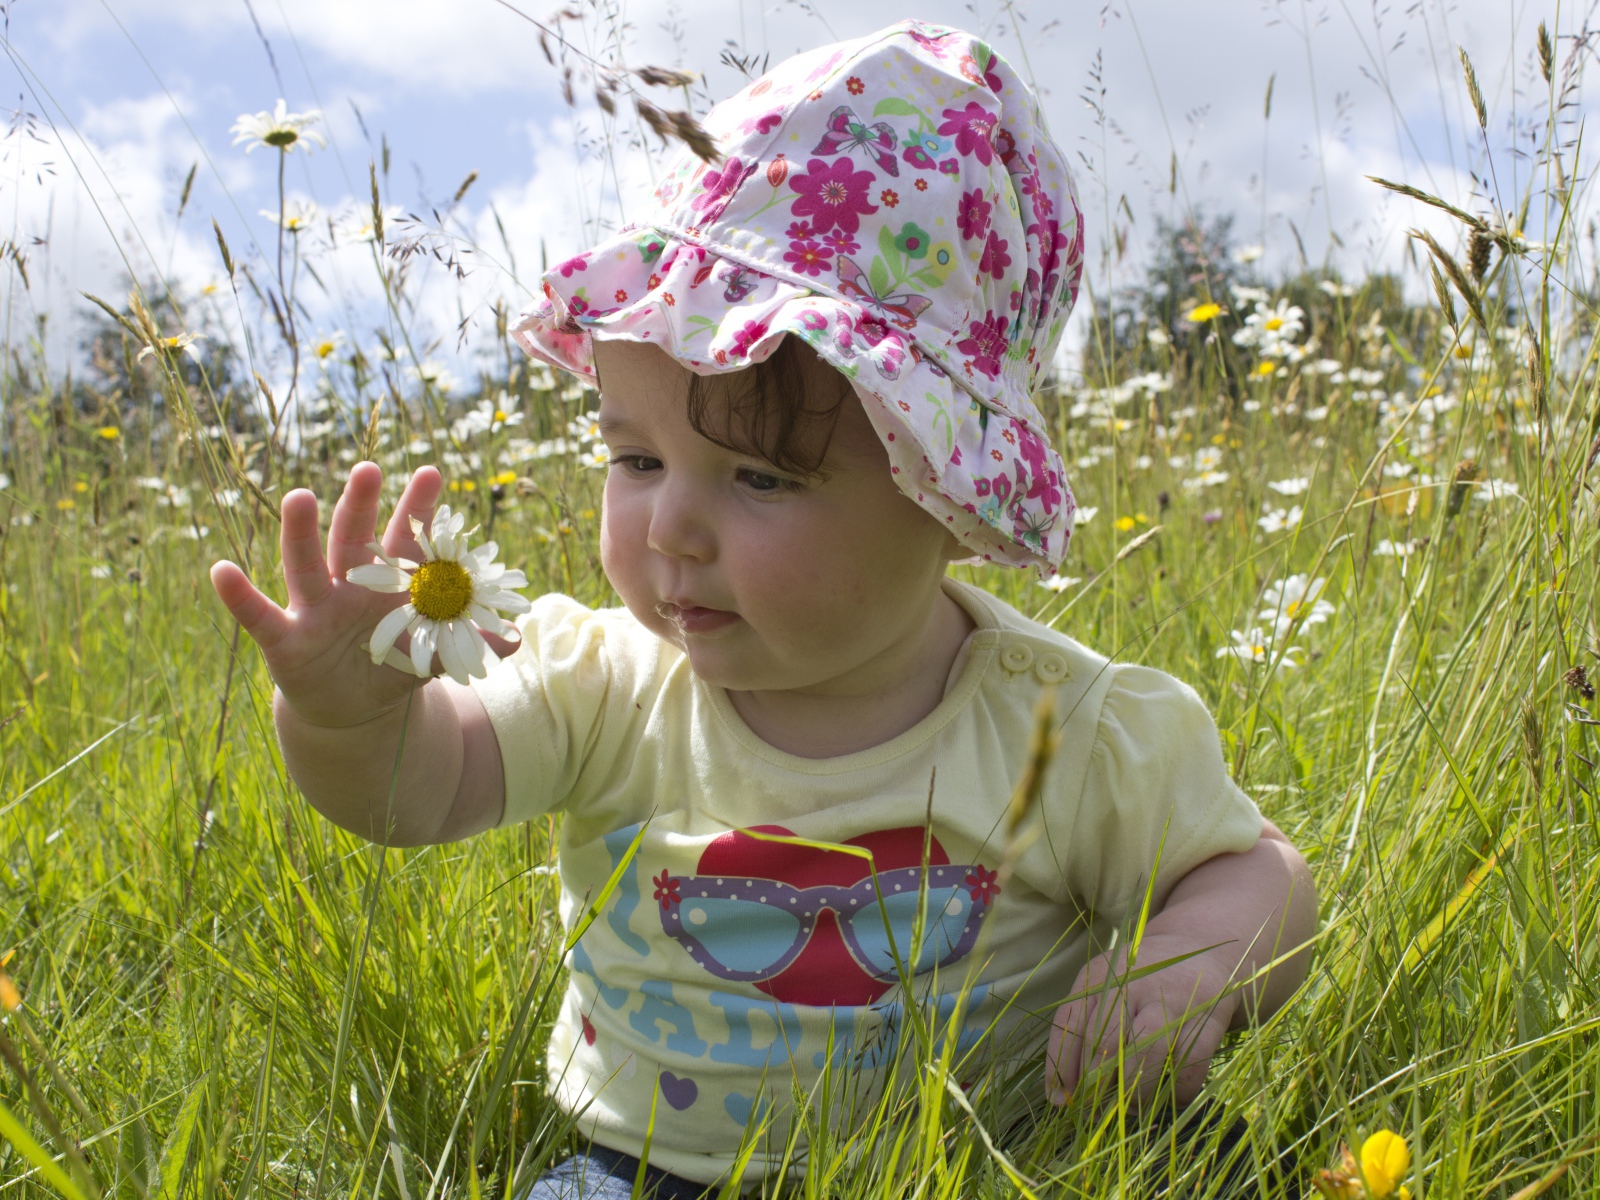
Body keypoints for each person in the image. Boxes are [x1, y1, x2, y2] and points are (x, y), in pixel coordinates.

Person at [210, 20, 1317, 1199]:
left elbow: (1259, 878)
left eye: (762, 477)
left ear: (946, 495)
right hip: (649, 1174)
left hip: (1005, 1162)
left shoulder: (1067, 728)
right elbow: (420, 791)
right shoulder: (606, 683)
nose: (668, 531)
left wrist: (1189, 974)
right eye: (636, 461)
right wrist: (344, 721)